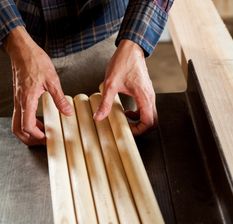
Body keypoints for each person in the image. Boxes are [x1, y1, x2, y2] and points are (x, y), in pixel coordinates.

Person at [0, 0, 174, 145]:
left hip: (110, 37)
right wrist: (16, 42)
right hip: (10, 37)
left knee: (122, 143)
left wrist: (135, 44)